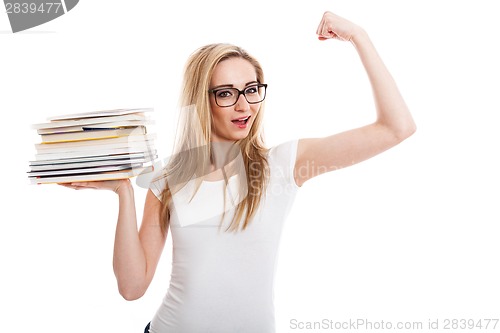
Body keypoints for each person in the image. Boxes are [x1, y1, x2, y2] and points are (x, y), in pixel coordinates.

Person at [61, 11, 416, 333]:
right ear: (203, 98)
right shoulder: (167, 176)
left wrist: (360, 36)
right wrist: (124, 191)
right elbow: (132, 287)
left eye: (251, 90)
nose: (244, 105)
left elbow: (396, 128)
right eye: (227, 93)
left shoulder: (284, 164)